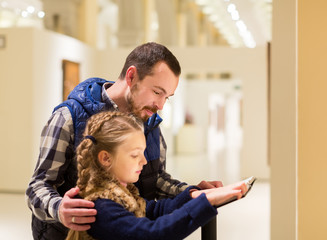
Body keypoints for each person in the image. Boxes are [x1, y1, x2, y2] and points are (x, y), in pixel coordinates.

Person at [26, 42, 223, 240]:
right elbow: (38, 186)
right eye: (156, 92)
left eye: (167, 97)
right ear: (131, 76)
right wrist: (59, 208)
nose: (161, 105)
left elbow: (156, 178)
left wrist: (192, 193)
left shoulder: (150, 123)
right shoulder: (68, 117)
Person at [65, 111, 248, 240]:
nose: (144, 161)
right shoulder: (101, 207)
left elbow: (154, 210)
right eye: (135, 155)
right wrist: (205, 203)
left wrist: (195, 195)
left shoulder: (124, 193)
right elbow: (151, 234)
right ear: (106, 158)